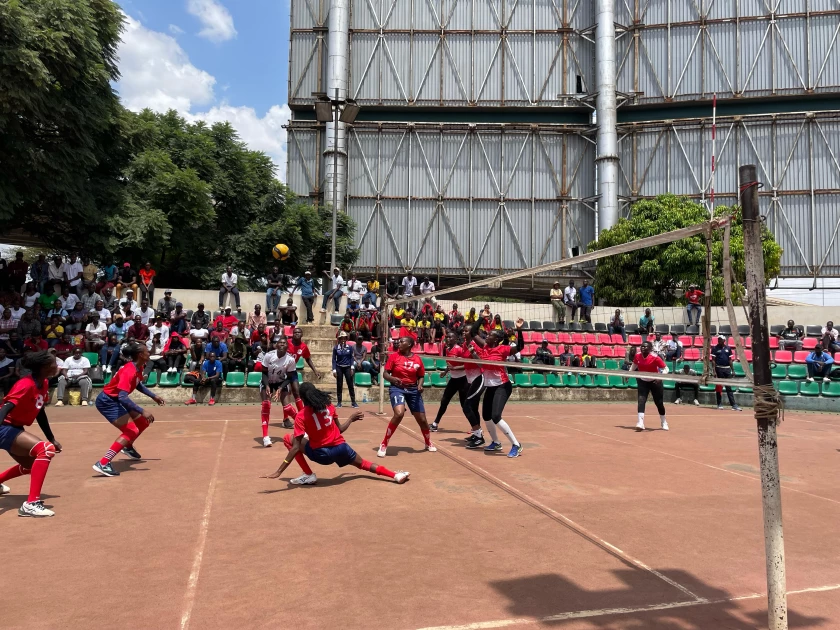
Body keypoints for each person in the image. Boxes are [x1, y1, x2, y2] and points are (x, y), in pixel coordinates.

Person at [262, 382, 410, 486]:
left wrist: (279, 471)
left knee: (289, 439)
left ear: (301, 398)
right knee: (363, 464)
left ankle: (308, 475)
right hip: (341, 448)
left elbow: (295, 447)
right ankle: (395, 475)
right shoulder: (329, 405)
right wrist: (351, 419)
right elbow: (339, 430)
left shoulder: (301, 416)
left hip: (322, 455)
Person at [0, 351, 62, 517]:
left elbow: (40, 411)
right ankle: (31, 503)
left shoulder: (44, 383)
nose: (57, 366)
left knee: (32, 465)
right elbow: (6, 407)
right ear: (43, 367)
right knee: (45, 450)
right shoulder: (25, 384)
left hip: (14, 428)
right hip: (4, 427)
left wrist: (52, 438)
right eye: (54, 363)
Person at [92, 343, 165, 477]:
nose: (149, 353)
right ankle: (103, 463)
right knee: (131, 430)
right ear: (140, 355)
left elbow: (137, 384)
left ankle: (127, 446)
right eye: (147, 351)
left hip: (116, 399)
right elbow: (122, 397)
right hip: (107, 401)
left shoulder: (138, 367)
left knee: (143, 422)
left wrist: (153, 396)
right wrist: (143, 410)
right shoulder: (129, 371)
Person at [466, 316, 524, 457]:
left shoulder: (503, 349)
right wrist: (481, 318)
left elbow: (520, 347)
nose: (487, 336)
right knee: (486, 416)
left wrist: (519, 330)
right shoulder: (485, 347)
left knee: (496, 416)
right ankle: (496, 442)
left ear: (496, 339)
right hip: (490, 386)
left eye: (490, 335)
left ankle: (516, 444)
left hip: (502, 386)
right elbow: (473, 333)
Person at [377, 336, 435, 457]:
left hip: (413, 390)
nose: (399, 343)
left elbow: (421, 375)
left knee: (423, 420)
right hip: (397, 388)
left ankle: (428, 442)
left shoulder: (417, 359)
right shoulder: (394, 356)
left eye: (402, 341)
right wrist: (393, 379)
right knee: (399, 413)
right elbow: (385, 373)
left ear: (409, 345)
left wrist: (420, 385)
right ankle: (384, 443)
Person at [430, 331, 484, 443]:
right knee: (444, 400)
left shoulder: (459, 349)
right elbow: (450, 365)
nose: (448, 339)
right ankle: (435, 423)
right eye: (447, 337)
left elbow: (466, 365)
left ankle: (476, 429)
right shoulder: (446, 349)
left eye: (451, 337)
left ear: (455, 339)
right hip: (453, 379)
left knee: (466, 405)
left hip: (463, 379)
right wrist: (445, 372)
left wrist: (455, 369)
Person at [258, 337, 300, 447]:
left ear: (287, 346)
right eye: (279, 343)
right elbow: (264, 373)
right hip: (267, 380)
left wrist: (280, 388)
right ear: (276, 345)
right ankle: (266, 437)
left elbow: (290, 377)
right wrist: (267, 386)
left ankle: (302, 426)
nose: (281, 344)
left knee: (287, 408)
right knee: (266, 405)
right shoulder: (269, 355)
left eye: (284, 343)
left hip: (281, 382)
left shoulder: (290, 360)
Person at [629, 341, 670, 431]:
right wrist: (628, 374)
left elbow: (666, 369)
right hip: (643, 381)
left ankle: (663, 421)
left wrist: (660, 378)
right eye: (642, 346)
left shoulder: (655, 357)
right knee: (641, 400)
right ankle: (640, 422)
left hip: (655, 381)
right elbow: (634, 365)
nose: (643, 348)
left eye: (645, 347)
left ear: (650, 349)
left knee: (659, 403)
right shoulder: (637, 356)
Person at [710, 335, 742, 411]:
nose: (719, 341)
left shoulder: (728, 348)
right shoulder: (714, 348)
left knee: (729, 387)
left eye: (720, 339)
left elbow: (730, 360)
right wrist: (714, 371)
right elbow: (713, 360)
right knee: (719, 387)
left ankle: (733, 405)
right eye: (718, 339)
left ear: (724, 340)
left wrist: (733, 370)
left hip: (727, 369)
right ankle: (719, 404)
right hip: (719, 369)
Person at [332, 331, 357, 408]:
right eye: (341, 338)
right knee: (339, 385)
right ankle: (339, 402)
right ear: (339, 339)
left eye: (344, 338)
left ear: (346, 339)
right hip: (339, 367)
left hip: (347, 368)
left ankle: (353, 402)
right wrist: (334, 370)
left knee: (350, 384)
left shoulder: (350, 348)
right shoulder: (336, 348)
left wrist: (352, 368)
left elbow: (351, 358)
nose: (343, 340)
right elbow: (333, 359)